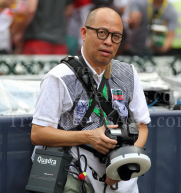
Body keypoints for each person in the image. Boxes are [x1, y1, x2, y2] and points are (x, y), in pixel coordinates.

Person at [31, 7, 151, 193]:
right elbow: (38, 134)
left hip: (122, 183)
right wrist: (88, 136)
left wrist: (121, 163)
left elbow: (142, 125)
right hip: (76, 180)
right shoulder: (59, 77)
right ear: (84, 33)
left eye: (116, 36)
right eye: (102, 33)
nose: (108, 42)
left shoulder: (129, 73)